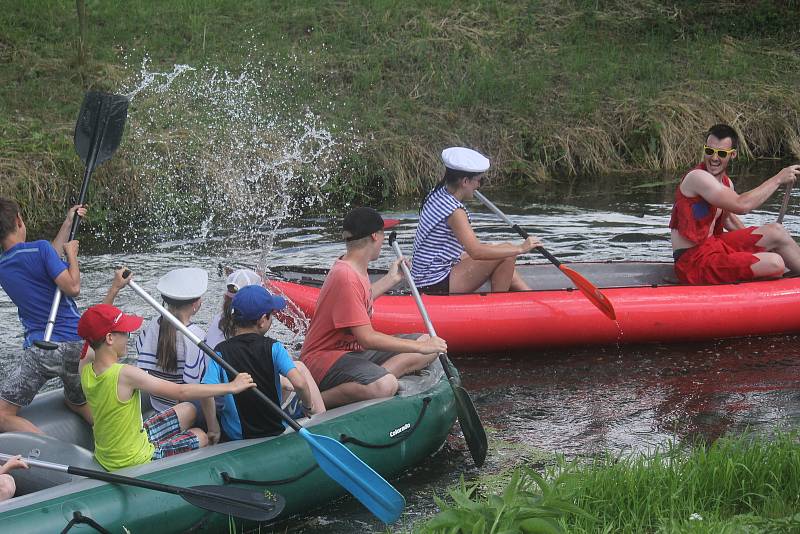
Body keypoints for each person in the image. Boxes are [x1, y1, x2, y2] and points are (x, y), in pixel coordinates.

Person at [78, 270, 255, 471]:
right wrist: (231, 386)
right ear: (109, 338)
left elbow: (93, 325)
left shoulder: (85, 365)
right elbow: (181, 392)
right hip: (133, 458)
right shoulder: (125, 374)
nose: (129, 336)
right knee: (201, 435)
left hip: (124, 442)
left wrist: (115, 288)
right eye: (125, 332)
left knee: (188, 410)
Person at [300, 207, 448, 409]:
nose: (384, 238)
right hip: (324, 359)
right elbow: (367, 338)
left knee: (426, 341)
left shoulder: (354, 266)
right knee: (389, 381)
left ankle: (376, 377)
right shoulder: (346, 276)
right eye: (383, 233)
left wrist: (391, 279)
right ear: (374, 236)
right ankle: (312, 402)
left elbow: (361, 298)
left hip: (351, 353)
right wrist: (420, 348)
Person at [0, 198, 92, 433]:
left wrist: (67, 224)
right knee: (77, 402)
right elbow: (72, 287)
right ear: (19, 220)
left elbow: (46, 257)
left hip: (42, 351)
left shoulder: (4, 266)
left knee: (2, 415)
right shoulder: (40, 250)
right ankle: (121, 438)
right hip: (76, 345)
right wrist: (71, 254)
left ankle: (48, 451)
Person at [669, 124, 800, 285]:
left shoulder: (726, 183)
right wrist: (778, 179)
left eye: (722, 153)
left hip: (715, 247)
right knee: (775, 263)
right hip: (693, 263)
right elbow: (741, 205)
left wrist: (764, 244)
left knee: (776, 231)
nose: (714, 158)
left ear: (733, 155)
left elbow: (728, 220)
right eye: (710, 151)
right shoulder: (697, 178)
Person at [201, 284, 324, 443]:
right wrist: (307, 407)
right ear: (262, 321)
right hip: (274, 430)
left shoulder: (220, 352)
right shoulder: (274, 347)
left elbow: (206, 391)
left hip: (236, 435)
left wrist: (213, 428)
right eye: (271, 315)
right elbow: (300, 383)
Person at [411, 147, 541, 294]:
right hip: (432, 283)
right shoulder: (455, 212)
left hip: (426, 273)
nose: (478, 185)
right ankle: (498, 307)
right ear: (465, 181)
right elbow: (476, 252)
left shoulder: (437, 192)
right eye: (479, 180)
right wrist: (521, 248)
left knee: (500, 248)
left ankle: (529, 294)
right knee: (508, 254)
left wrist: (504, 248)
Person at [135, 267, 208, 414]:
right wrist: (214, 427)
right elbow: (199, 386)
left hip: (157, 403)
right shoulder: (197, 336)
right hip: (183, 410)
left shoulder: (153, 325)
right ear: (195, 304)